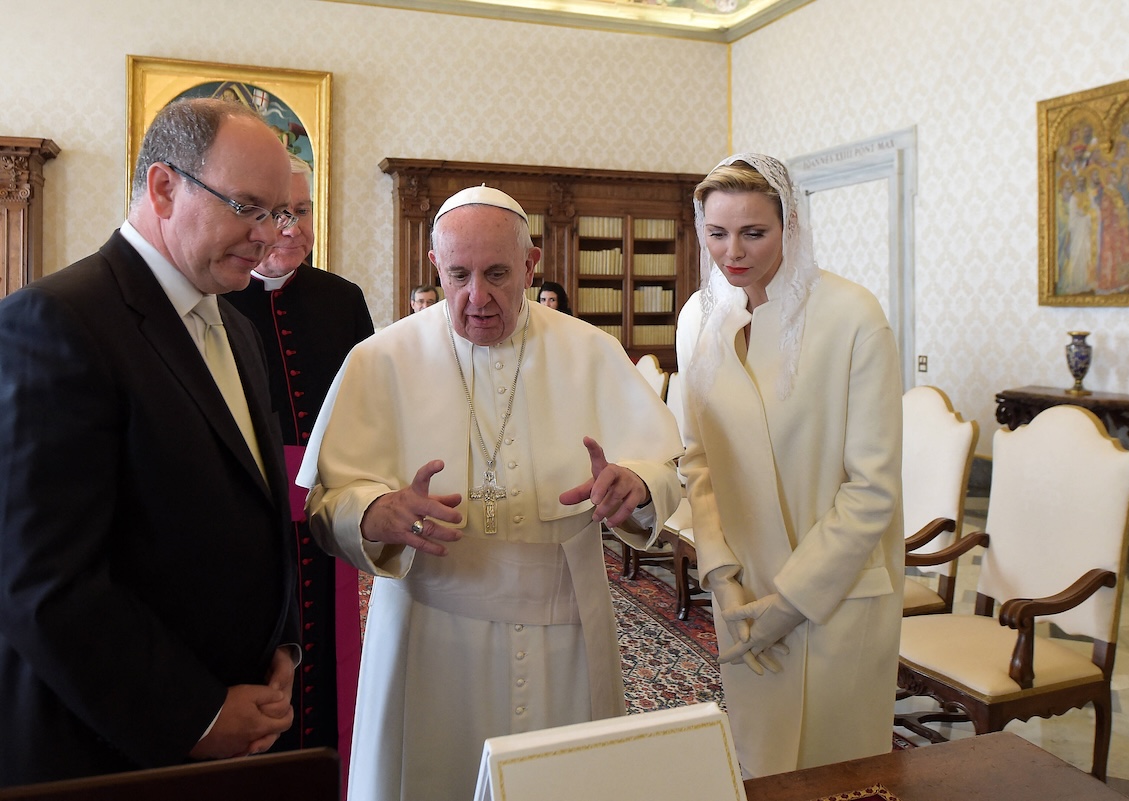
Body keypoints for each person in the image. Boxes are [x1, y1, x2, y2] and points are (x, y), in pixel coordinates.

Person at [298, 185, 683, 801]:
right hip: (430, 633)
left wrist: (636, 486)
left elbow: (664, 466)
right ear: (434, 267)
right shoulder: (381, 360)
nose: (477, 298)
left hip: (568, 629)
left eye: (498, 274)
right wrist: (375, 511)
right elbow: (329, 502)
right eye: (459, 275)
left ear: (531, 265)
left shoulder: (591, 352)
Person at [0, 97, 300, 786]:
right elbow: (44, 583)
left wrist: (281, 646)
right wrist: (196, 713)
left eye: (278, 213)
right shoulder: (57, 322)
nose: (268, 236)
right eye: (248, 207)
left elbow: (253, 508)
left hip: (235, 725)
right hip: (107, 748)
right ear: (165, 187)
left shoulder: (238, 328)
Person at [676, 154, 903, 777]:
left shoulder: (853, 316)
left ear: (791, 224)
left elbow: (873, 487)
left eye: (754, 232)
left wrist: (792, 599)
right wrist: (720, 572)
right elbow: (696, 458)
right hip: (743, 585)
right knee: (762, 763)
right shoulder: (697, 317)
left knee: (838, 772)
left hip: (837, 590)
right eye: (716, 233)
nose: (733, 252)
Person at [226, 154, 375, 768]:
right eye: (276, 212)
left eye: (303, 211)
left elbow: (368, 410)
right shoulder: (218, 302)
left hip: (325, 511)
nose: (291, 227)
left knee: (326, 657)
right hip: (243, 518)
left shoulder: (342, 300)